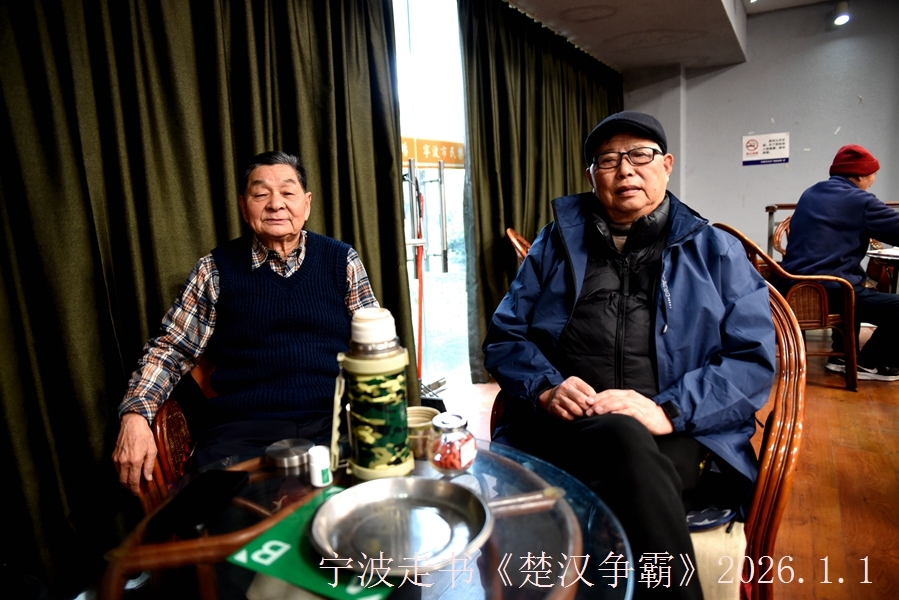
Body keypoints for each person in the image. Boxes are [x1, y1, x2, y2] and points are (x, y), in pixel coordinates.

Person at [483, 111, 775, 598]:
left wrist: (668, 409)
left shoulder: (714, 251)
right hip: (563, 429)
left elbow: (752, 361)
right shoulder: (554, 245)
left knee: (623, 442)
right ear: (591, 176)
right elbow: (504, 337)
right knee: (617, 442)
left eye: (640, 155)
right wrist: (547, 388)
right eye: (608, 160)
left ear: (666, 165)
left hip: (681, 433)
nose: (625, 170)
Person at [113, 151, 379, 495]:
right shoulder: (214, 269)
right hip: (243, 428)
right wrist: (135, 414)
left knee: (371, 503)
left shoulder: (341, 260)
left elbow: (375, 346)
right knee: (214, 511)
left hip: (334, 420)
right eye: (261, 194)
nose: (276, 204)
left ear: (307, 203)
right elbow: (171, 349)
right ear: (243, 205)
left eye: (288, 192)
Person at [781, 144, 899, 381]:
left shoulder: (810, 193)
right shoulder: (861, 201)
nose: (873, 180)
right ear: (860, 175)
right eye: (873, 174)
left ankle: (842, 357)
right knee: (858, 288)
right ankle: (871, 363)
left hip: (791, 287)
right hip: (833, 292)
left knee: (851, 278)